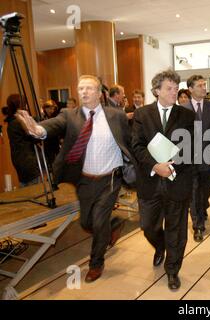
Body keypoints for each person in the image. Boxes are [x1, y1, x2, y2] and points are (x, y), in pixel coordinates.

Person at [16, 75, 134, 282]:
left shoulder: (116, 116)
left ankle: (96, 263)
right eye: (81, 89)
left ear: (99, 94)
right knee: (86, 221)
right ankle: (112, 226)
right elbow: (52, 125)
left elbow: (129, 142)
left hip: (110, 179)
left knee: (98, 221)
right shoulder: (69, 115)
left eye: (89, 88)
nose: (84, 92)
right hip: (85, 180)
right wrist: (38, 129)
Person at [132, 70, 195, 290]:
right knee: (148, 225)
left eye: (176, 88)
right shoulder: (142, 114)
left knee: (176, 230)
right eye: (169, 88)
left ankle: (172, 270)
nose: (174, 92)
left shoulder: (187, 116)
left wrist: (172, 166)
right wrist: (154, 166)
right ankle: (160, 246)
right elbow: (137, 146)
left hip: (178, 181)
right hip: (150, 182)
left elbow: (192, 147)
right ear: (157, 90)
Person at [185, 75, 210, 242]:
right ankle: (198, 225)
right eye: (200, 85)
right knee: (194, 192)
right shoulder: (181, 108)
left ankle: (203, 206)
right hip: (190, 160)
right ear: (190, 89)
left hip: (209, 159)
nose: (204, 88)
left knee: (208, 187)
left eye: (204, 85)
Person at [5, 94, 41, 187]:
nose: (26, 107)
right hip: (26, 159)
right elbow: (35, 135)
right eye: (24, 104)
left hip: (19, 159)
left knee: (25, 187)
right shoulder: (19, 121)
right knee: (34, 190)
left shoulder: (12, 121)